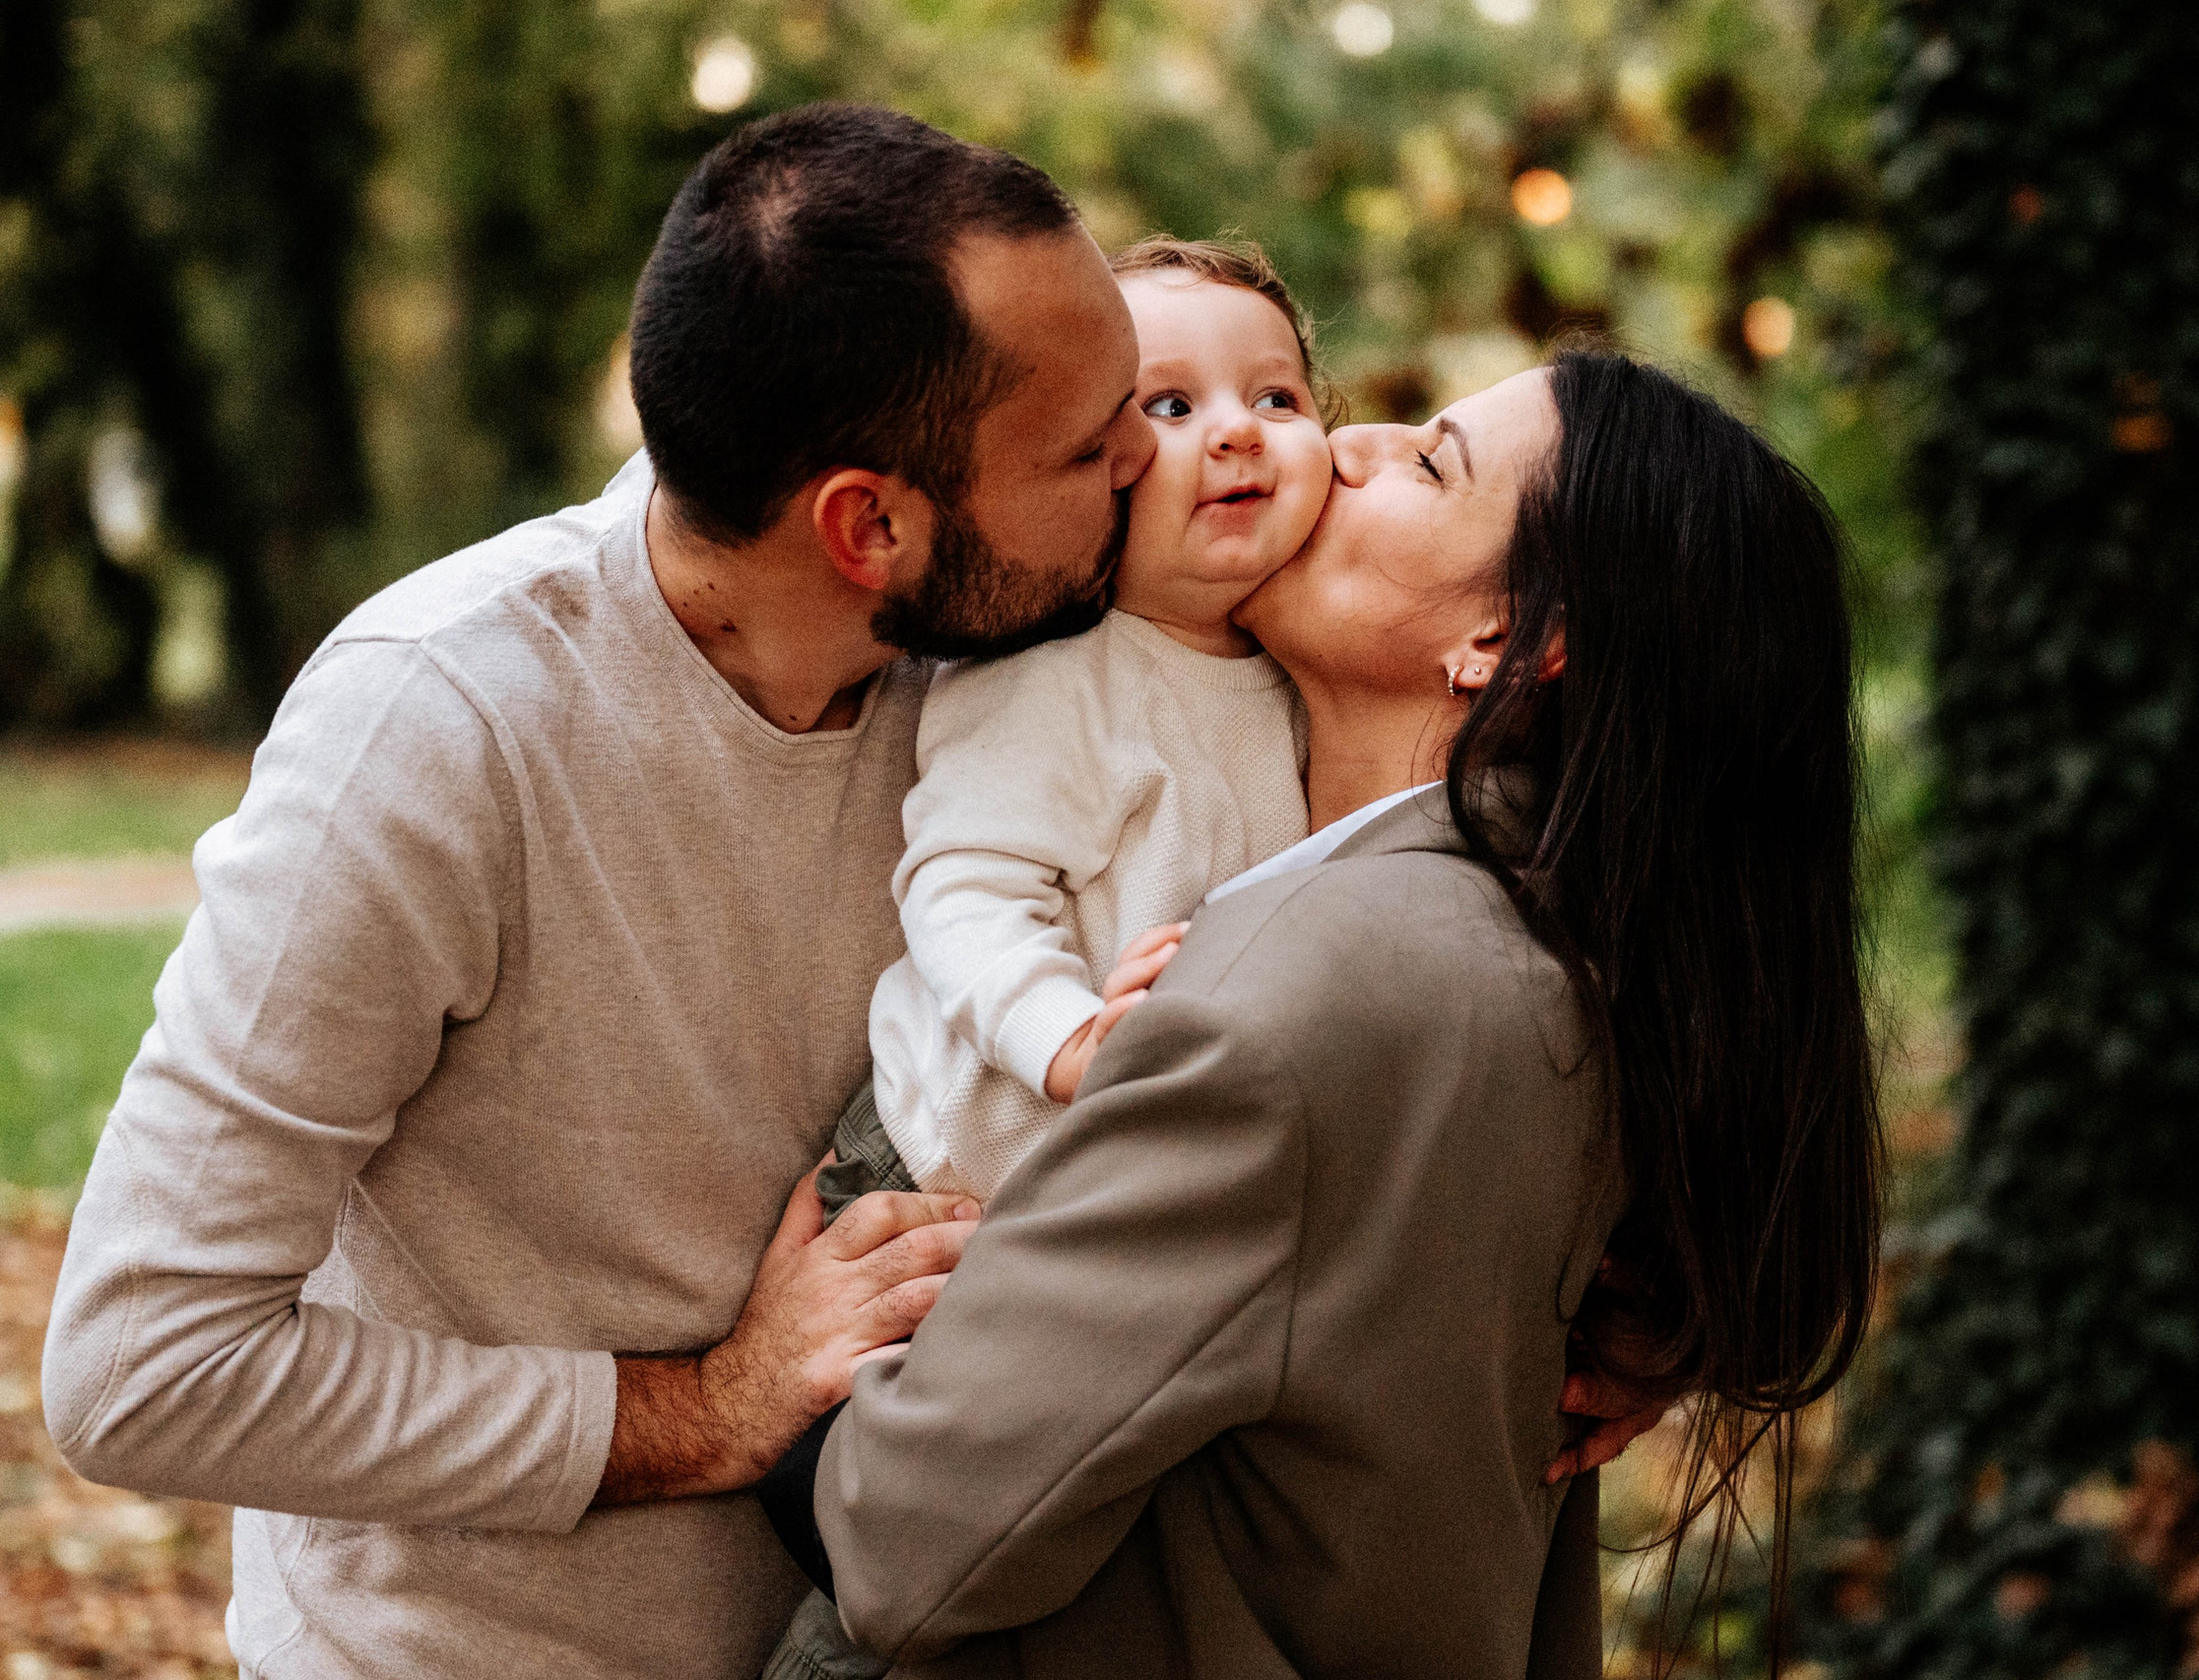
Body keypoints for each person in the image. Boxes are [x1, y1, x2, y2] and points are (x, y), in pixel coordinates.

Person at [37, 104, 1157, 1677]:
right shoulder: (435, 729)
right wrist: (707, 1405)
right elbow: (140, 1366)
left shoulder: (1025, 675)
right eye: (1089, 440)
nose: (1148, 459)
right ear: (870, 524)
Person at [801, 351, 1887, 1677]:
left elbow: (908, 1537)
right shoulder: (1576, 980)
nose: (1345, 441)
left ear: (1510, 642)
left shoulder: (1312, 986)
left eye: (1430, 462)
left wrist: (781, 1386)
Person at [850, 235, 1333, 1210]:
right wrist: (1071, 1039)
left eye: (1276, 396)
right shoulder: (1054, 671)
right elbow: (961, 890)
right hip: (938, 1156)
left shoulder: (1306, 673)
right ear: (1096, 460)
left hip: (1103, 1188)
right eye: (1171, 405)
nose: (1238, 430)